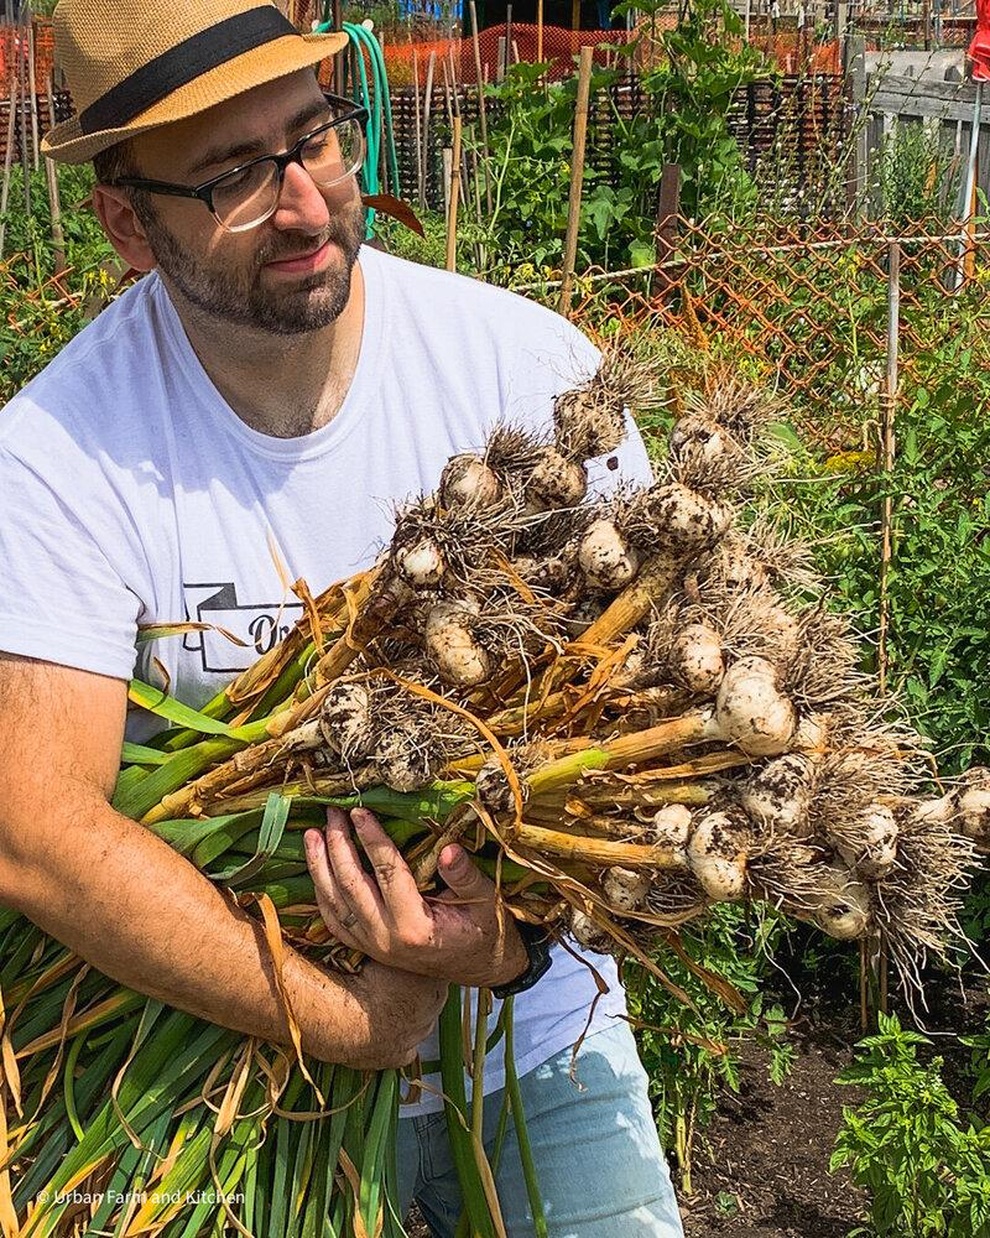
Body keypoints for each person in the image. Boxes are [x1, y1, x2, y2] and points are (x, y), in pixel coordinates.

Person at [0, 1, 684, 1233]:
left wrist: (505, 949)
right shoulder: (58, 455)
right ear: (126, 224)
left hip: (541, 1043)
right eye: (231, 178)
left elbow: (667, 739)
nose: (307, 204)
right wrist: (352, 1022)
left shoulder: (523, 377)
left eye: (314, 138)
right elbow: (38, 831)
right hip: (236, 1086)